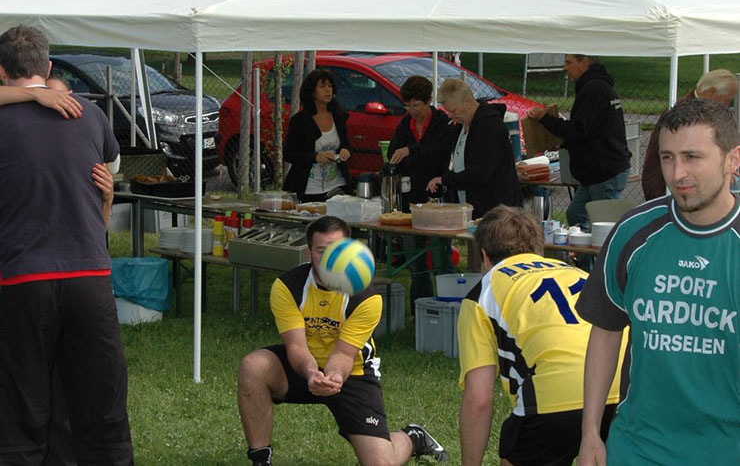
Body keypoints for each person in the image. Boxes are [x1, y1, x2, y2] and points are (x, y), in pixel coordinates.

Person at [576, 98, 740, 466]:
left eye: (692, 157)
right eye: (668, 157)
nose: (677, 173)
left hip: (727, 450)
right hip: (638, 446)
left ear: (733, 160)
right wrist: (590, 434)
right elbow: (605, 332)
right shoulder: (634, 232)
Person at [0, 25, 133, 464]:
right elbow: (109, 168)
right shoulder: (89, 116)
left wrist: (28, 97)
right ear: (48, 66)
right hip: (89, 277)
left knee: (20, 405)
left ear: (1, 71)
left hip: (21, 278)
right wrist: (38, 95)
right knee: (101, 402)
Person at [237, 216, 448, 466]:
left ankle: (414, 437)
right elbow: (296, 346)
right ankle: (261, 459)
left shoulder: (367, 298)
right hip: (303, 365)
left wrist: (334, 377)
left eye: (336, 251)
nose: (330, 260)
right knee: (254, 365)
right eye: (321, 251)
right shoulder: (288, 286)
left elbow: (344, 355)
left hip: (351, 373)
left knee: (382, 463)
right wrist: (311, 373)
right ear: (309, 253)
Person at [457, 206, 626, 466]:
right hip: (621, 387)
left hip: (555, 394)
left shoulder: (482, 292)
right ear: (539, 249)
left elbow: (479, 399)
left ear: (484, 256)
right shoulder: (577, 272)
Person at [527, 55, 631, 228]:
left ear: (584, 63)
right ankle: (584, 245)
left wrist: (545, 118)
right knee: (576, 214)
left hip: (605, 171)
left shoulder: (593, 89)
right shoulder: (596, 87)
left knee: (603, 224)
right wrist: (564, 143)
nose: (565, 68)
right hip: (597, 171)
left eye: (569, 62)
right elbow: (591, 131)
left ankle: (600, 246)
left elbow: (579, 129)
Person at [387, 75, 455, 310]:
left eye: (416, 105)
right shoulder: (404, 125)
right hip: (410, 201)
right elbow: (393, 154)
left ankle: (450, 307)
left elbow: (440, 152)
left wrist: (411, 151)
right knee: (415, 262)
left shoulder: (442, 123)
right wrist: (407, 153)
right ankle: (421, 310)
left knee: (440, 259)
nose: (411, 111)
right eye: (407, 105)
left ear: (428, 101)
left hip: (437, 200)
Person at [426, 78, 522, 219]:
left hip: (497, 211)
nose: (450, 115)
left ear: (467, 101)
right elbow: (463, 166)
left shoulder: (490, 126)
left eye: (453, 110)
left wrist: (445, 180)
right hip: (473, 207)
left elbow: (479, 173)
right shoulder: (460, 126)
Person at [642, 68, 738, 200]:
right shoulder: (684, 113)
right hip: (665, 189)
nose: (726, 106)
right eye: (725, 100)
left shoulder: (699, 109)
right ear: (712, 92)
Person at [283, 69, 351, 202]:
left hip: (337, 185)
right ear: (312, 91)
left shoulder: (339, 115)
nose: (328, 90)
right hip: (308, 188)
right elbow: (289, 154)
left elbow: (346, 144)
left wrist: (346, 151)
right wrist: (315, 157)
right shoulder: (300, 120)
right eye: (322, 86)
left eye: (330, 86)